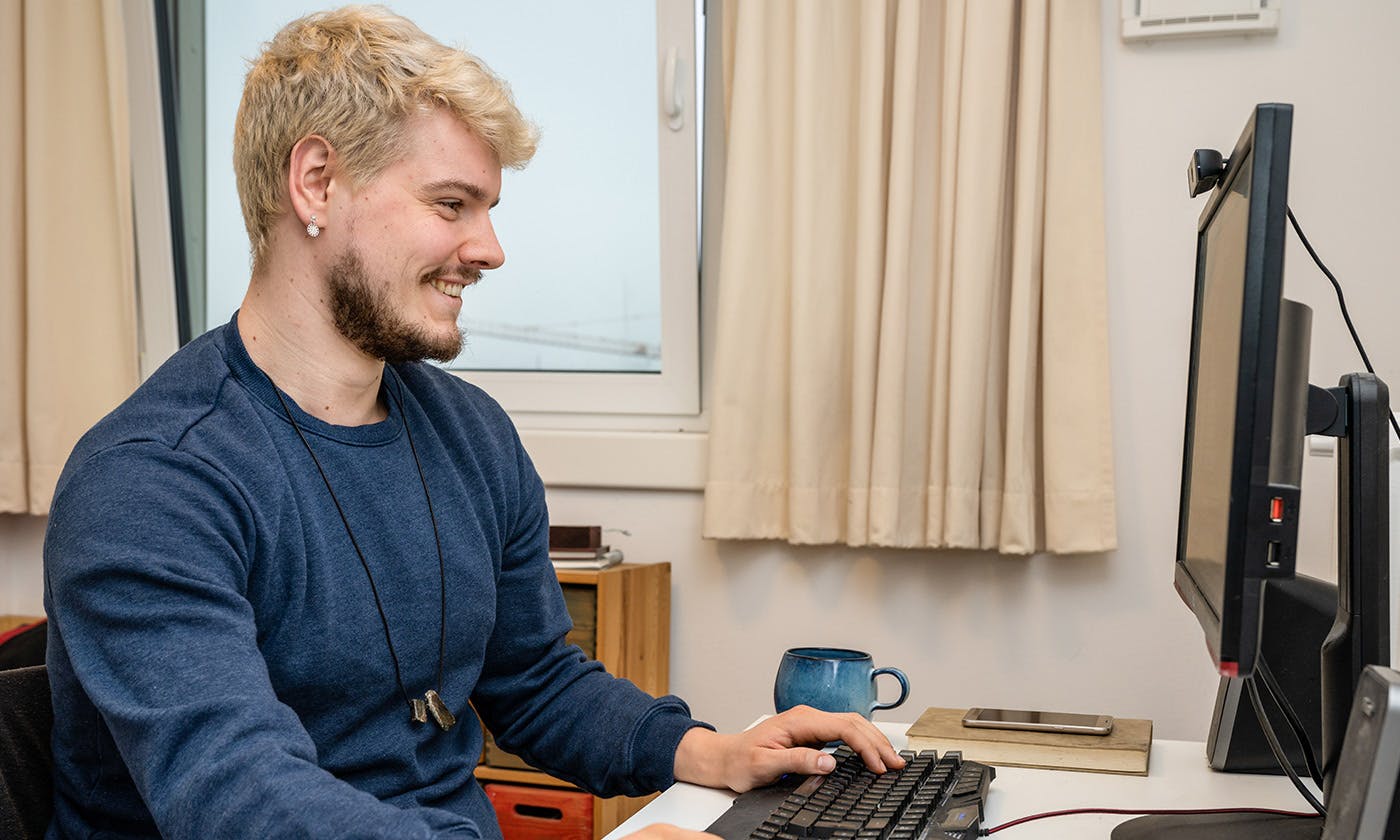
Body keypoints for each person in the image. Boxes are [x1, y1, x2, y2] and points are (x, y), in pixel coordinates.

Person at [42, 7, 903, 839]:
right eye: (452, 205)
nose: (491, 249)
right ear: (316, 183)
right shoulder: (149, 480)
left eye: (487, 209)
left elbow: (533, 680)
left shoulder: (471, 435)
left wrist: (711, 752)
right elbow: (238, 799)